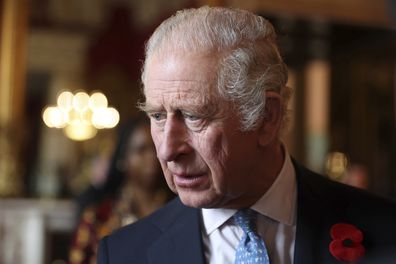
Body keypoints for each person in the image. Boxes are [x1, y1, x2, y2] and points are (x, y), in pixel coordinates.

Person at [97, 6, 396, 264]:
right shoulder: (125, 253)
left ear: (267, 117)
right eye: (158, 116)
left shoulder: (384, 231)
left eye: (193, 116)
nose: (166, 151)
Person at [69, 116, 173, 264]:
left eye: (156, 148)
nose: (152, 157)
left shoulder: (180, 210)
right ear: (123, 157)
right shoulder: (99, 217)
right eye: (141, 150)